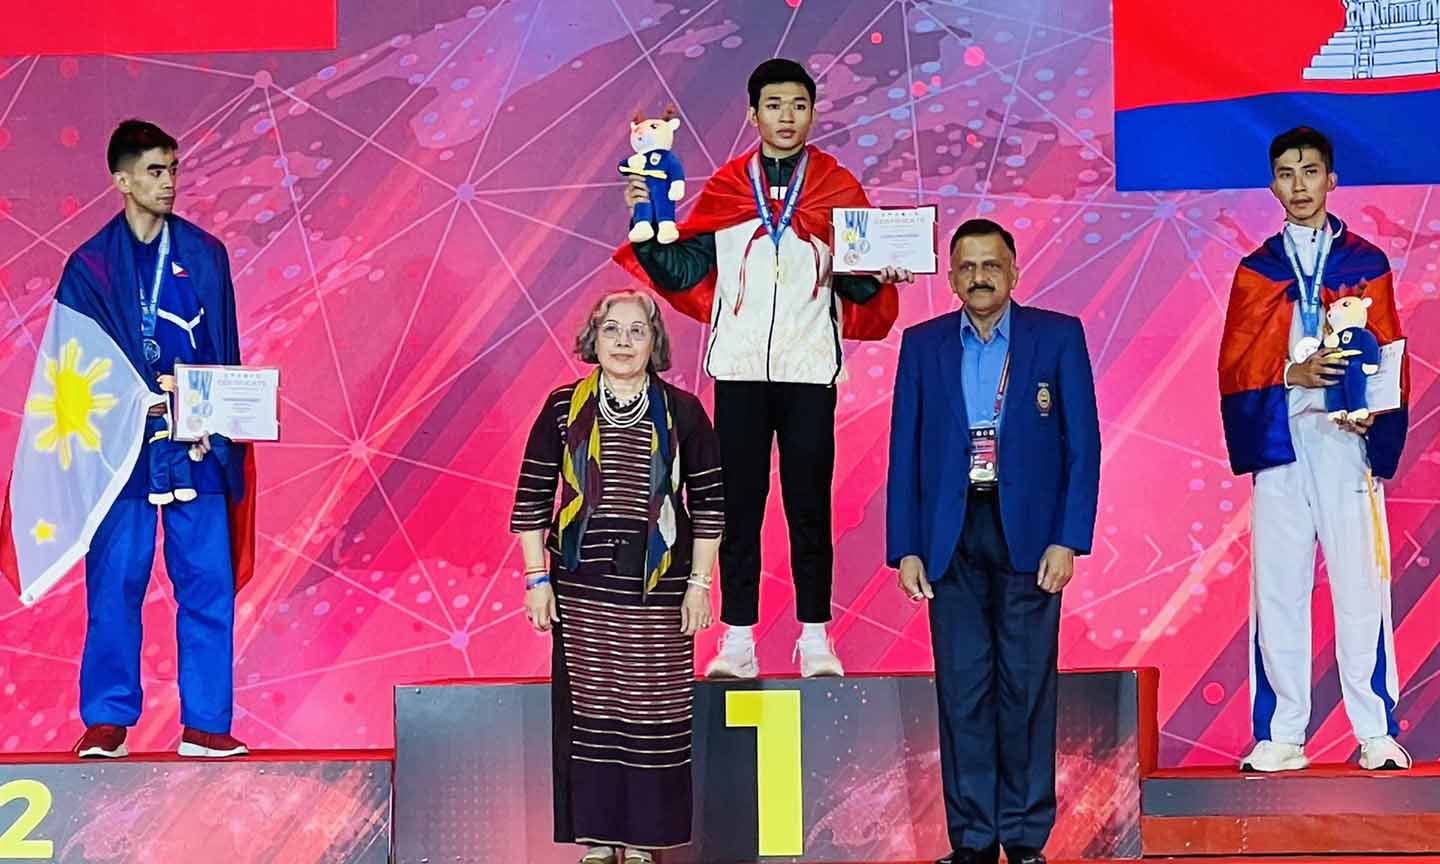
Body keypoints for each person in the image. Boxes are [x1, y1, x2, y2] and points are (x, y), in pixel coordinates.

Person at [614, 57, 913, 679]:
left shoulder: (836, 188)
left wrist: (882, 272)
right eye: (774, 105)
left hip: (809, 374)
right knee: (737, 508)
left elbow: (857, 286)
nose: (787, 116)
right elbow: (685, 270)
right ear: (753, 114)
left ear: (813, 113)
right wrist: (644, 228)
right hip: (740, 373)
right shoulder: (728, 188)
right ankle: (738, 639)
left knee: (810, 508)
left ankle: (816, 637)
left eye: (799, 105)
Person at [887, 219, 1100, 864]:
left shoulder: (1057, 337)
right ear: (951, 278)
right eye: (967, 267)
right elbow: (904, 453)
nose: (980, 277)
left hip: (1031, 538)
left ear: (1014, 272)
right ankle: (974, 840)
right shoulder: (922, 345)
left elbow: (1083, 447)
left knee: (1026, 688)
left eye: (991, 265)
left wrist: (1068, 538)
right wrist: (906, 546)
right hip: (949, 537)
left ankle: (1026, 837)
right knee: (963, 691)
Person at [1219, 126, 1410, 773]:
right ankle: (1282, 733)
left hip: (1345, 441)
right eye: (1286, 174)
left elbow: (1388, 348)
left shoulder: (1366, 262)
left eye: (1309, 172)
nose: (1298, 185)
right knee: (1277, 587)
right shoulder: (1257, 271)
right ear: (1272, 186)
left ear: (1331, 180)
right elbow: (1235, 363)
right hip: (1282, 438)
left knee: (1362, 583)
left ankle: (1375, 729)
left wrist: (1375, 410)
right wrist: (1289, 373)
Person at [511, 290, 723, 864]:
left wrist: (700, 586)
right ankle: (599, 840)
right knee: (591, 715)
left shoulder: (684, 411)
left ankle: (644, 842)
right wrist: (536, 581)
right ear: (593, 339)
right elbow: (531, 500)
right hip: (582, 588)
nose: (624, 342)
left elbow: (710, 507)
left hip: (660, 590)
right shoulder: (562, 407)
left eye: (637, 331)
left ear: (655, 342)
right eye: (612, 329)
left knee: (654, 713)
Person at [68, 120, 254, 759]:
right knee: (115, 584)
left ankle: (205, 723)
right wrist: (130, 401)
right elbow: (71, 371)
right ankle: (107, 719)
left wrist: (214, 414)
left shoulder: (205, 255)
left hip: (194, 445)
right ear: (121, 180)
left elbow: (226, 353)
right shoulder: (89, 267)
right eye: (154, 170)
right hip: (122, 452)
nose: (169, 182)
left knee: (207, 583)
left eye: (173, 168)